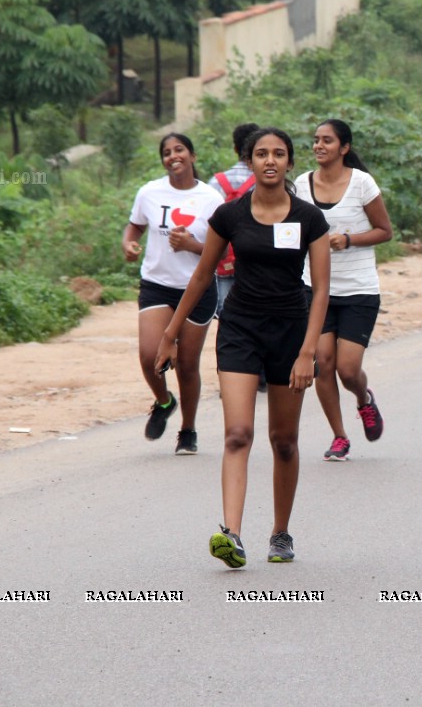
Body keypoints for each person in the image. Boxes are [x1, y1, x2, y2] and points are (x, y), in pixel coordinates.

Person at [154, 127, 331, 568]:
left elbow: (323, 289)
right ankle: (230, 533)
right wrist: (170, 334)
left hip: (290, 334)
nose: (269, 160)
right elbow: (201, 276)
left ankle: (281, 533)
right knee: (237, 434)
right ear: (249, 162)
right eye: (260, 154)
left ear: (290, 163)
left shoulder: (310, 219)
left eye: (278, 154)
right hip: (239, 329)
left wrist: (308, 351)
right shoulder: (229, 215)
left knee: (284, 441)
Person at [294, 119, 392, 462]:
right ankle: (339, 436)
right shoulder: (301, 185)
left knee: (348, 369)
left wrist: (348, 240)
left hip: (359, 290)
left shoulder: (362, 183)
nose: (319, 146)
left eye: (327, 141)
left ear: (344, 148)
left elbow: (384, 230)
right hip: (314, 288)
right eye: (316, 140)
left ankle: (364, 400)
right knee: (323, 362)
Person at [121, 133, 223, 455]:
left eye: (179, 149)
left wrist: (192, 246)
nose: (173, 156)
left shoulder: (211, 198)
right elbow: (135, 226)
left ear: (192, 155)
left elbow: (223, 251)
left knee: (188, 365)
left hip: (198, 288)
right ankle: (164, 402)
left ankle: (188, 429)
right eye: (167, 152)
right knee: (150, 356)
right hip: (157, 284)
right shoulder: (149, 192)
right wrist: (128, 243)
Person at [210, 123, 264, 391]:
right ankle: (261, 371)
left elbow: (210, 223)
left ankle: (231, 371)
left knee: (227, 315)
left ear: (234, 148)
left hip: (224, 261)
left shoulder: (216, 182)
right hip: (256, 259)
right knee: (259, 309)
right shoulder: (266, 180)